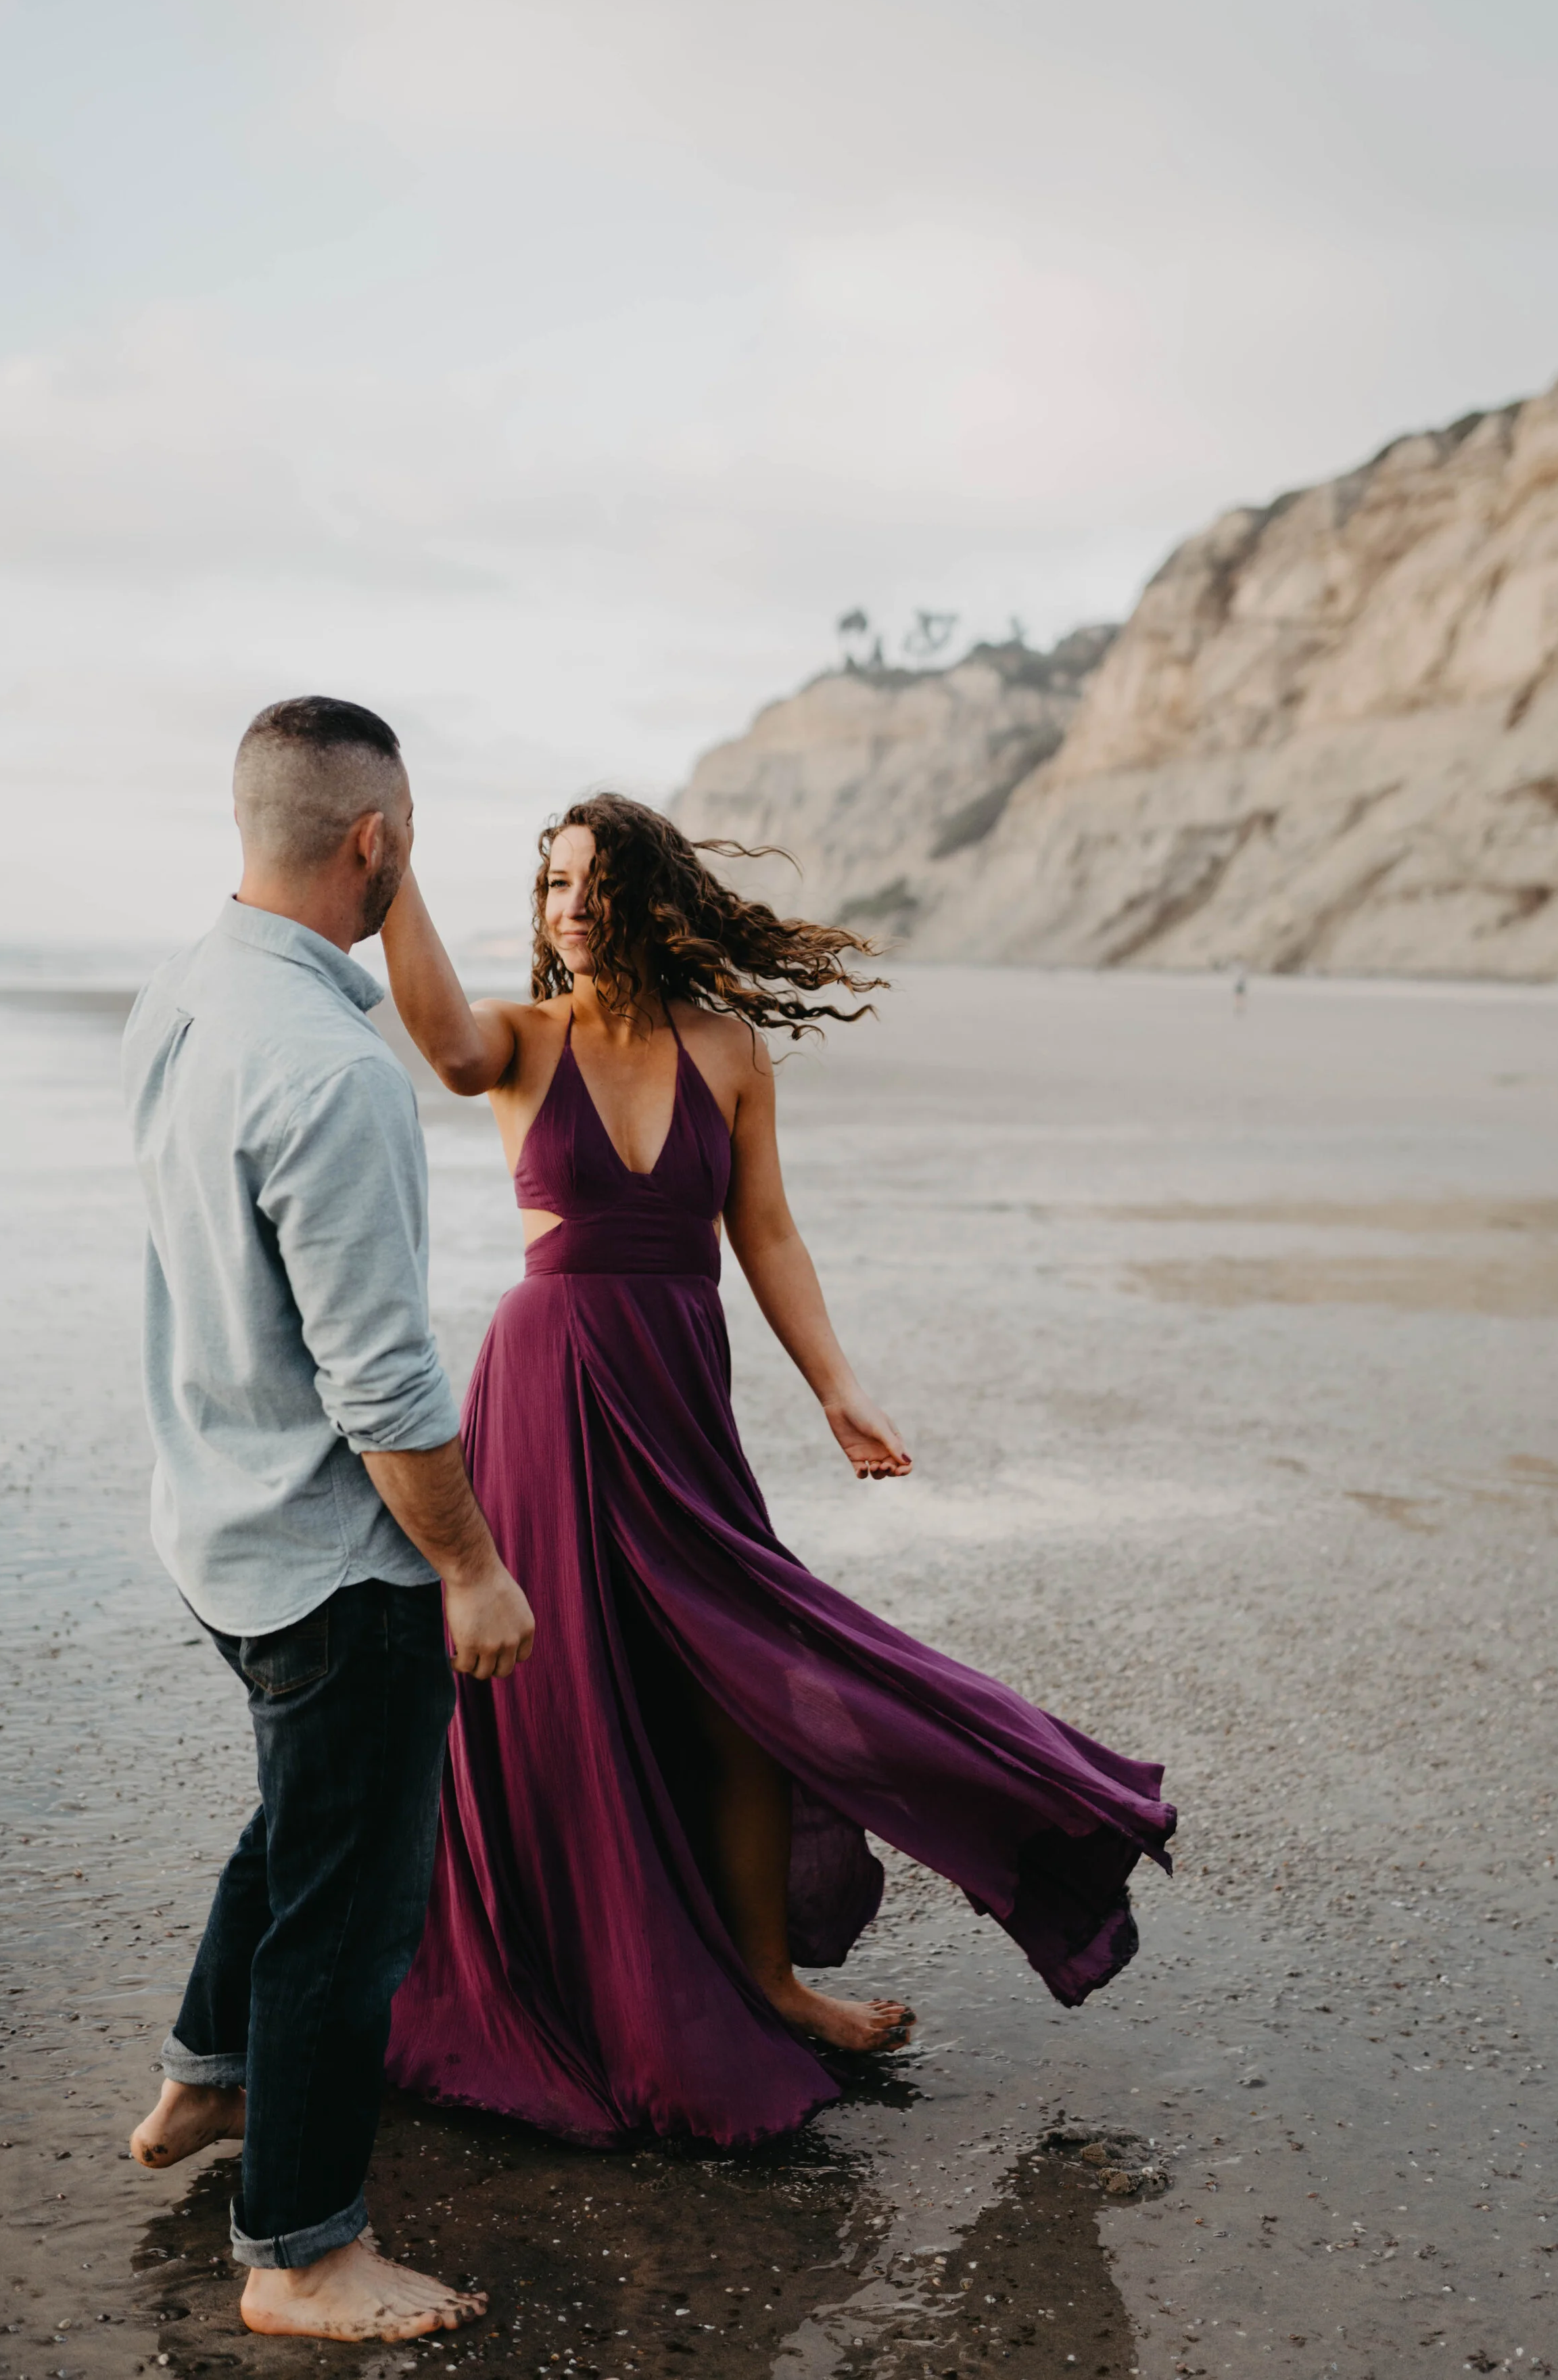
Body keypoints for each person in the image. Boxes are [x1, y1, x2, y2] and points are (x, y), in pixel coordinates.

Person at [381, 793, 1175, 2148]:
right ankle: (570, 1976)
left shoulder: (729, 1052)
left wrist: (838, 1388)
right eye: (549, 886)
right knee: (559, 1686)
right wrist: (391, 871)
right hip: (544, 1386)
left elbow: (766, 1235)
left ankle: (764, 1976)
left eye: (591, 884)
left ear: (649, 899)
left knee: (739, 1678)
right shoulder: (521, 1041)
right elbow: (446, 1044)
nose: (566, 907)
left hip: (678, 1392)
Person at [120, 697, 534, 2342]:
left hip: (213, 1522)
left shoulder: (187, 995)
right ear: (375, 840)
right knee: (348, 1909)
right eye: (405, 840)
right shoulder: (330, 1073)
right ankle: (297, 2253)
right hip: (329, 1556)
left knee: (301, 1819)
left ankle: (206, 2085)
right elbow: (384, 1388)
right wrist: (474, 1568)